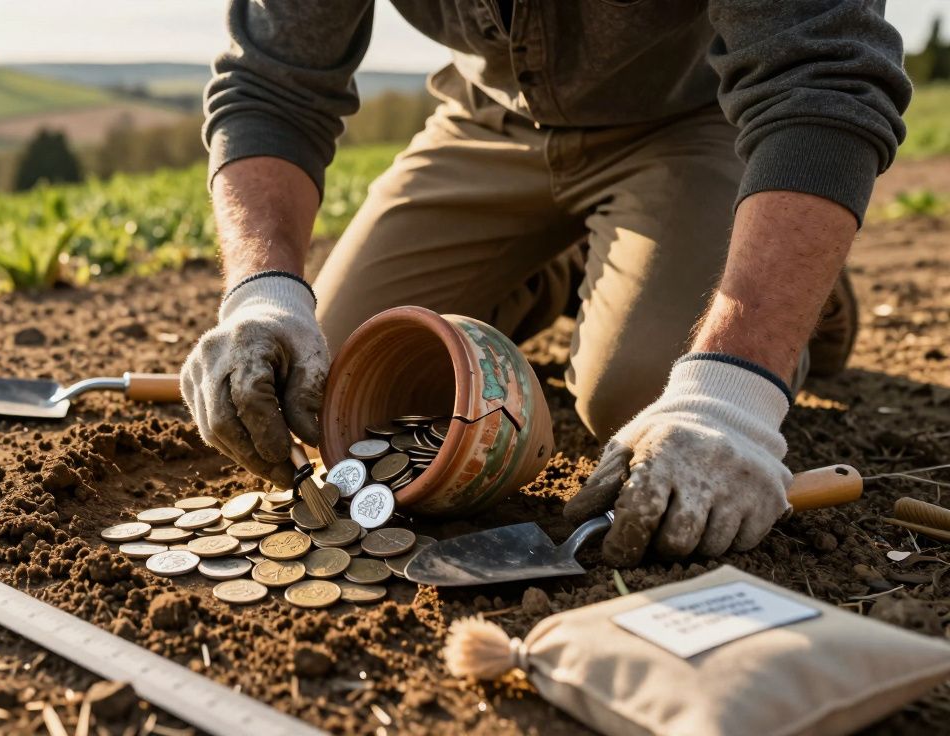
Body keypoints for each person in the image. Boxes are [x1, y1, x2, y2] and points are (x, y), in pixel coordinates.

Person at [180, 1, 911, 565]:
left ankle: (777, 268)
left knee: (645, 396)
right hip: (492, 119)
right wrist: (264, 291)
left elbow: (823, 75)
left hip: (695, 122)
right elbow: (270, 87)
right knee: (339, 383)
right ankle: (577, 265)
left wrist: (737, 391)